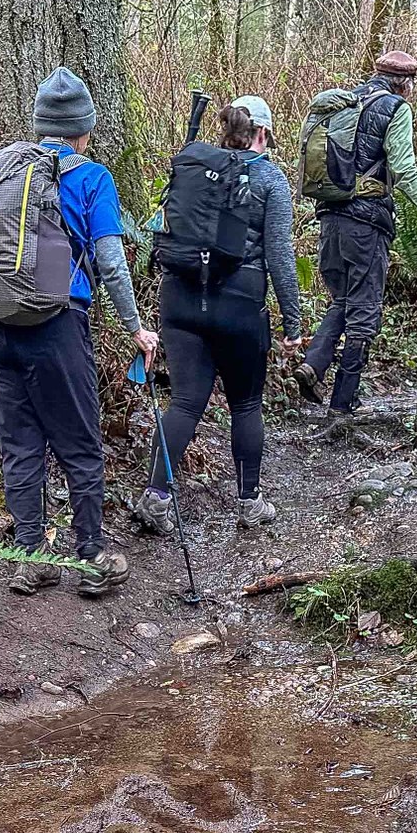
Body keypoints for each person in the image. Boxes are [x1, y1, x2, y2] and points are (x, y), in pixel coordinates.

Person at [0, 67, 156, 599]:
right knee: (79, 443)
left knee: (20, 446)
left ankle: (30, 558)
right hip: (57, 326)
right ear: (86, 128)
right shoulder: (92, 178)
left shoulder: (5, 173)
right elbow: (112, 263)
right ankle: (92, 557)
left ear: (39, 124)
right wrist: (135, 327)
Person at [134, 97, 303, 532]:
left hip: (180, 297)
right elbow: (280, 256)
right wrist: (293, 322)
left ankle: (155, 498)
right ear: (262, 133)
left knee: (185, 402)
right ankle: (249, 502)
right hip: (239, 304)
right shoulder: (270, 179)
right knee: (245, 404)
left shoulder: (194, 166)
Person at [295, 50, 417, 424]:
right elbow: (404, 170)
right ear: (407, 84)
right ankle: (342, 404)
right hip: (366, 224)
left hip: (330, 217)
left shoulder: (344, 103)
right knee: (364, 309)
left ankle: (313, 364)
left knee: (343, 299)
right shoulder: (394, 108)